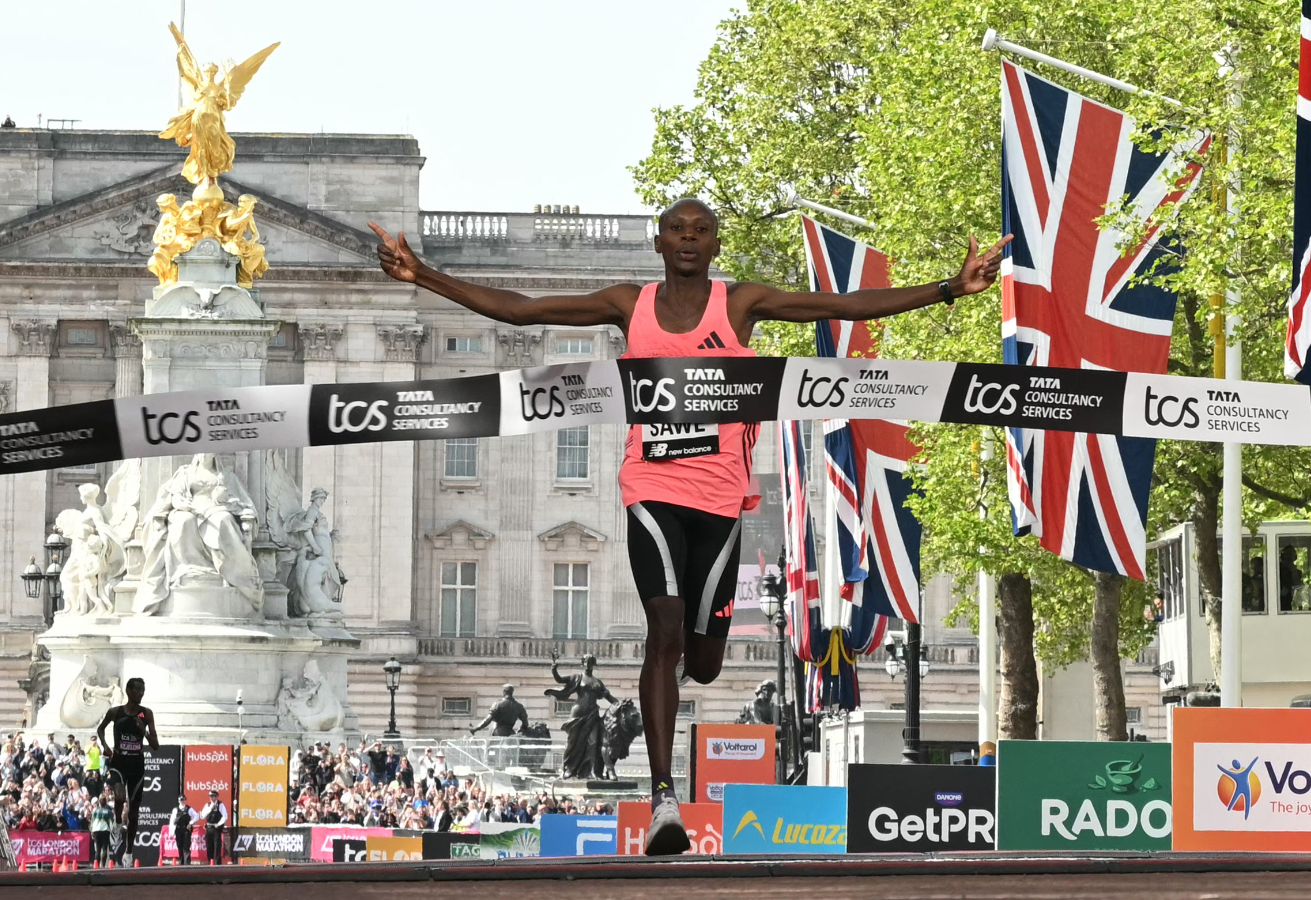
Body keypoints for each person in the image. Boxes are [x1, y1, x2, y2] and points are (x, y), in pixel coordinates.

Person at [371, 198, 1008, 855]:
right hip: (650, 489)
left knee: (703, 663)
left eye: (700, 231)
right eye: (677, 229)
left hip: (720, 502)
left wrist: (948, 291)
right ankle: (661, 796)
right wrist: (424, 276)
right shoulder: (629, 305)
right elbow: (524, 310)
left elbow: (840, 308)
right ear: (658, 240)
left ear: (715, 245)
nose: (688, 239)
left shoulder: (739, 306)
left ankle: (700, 660)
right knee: (664, 628)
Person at [95, 677, 159, 868]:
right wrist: (105, 746)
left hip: (137, 764)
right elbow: (100, 729)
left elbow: (156, 745)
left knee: (133, 813)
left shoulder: (146, 714)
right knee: (120, 796)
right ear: (129, 691)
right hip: (119, 761)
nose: (141, 694)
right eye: (138, 690)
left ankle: (129, 853)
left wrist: (144, 732)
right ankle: (116, 823)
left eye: (143, 690)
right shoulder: (115, 712)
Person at [89, 792, 116, 869]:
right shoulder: (108, 811)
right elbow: (111, 822)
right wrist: (112, 831)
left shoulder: (95, 811)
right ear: (105, 802)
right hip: (105, 830)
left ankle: (96, 865)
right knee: (104, 849)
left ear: (99, 802)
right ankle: (103, 866)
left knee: (97, 849)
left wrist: (92, 832)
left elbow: (92, 822)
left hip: (96, 830)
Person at [201, 791, 227, 865]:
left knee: (217, 846)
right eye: (211, 797)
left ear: (216, 797)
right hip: (209, 827)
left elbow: (225, 816)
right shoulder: (208, 805)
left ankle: (217, 862)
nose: (212, 798)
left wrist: (219, 824)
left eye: (213, 796)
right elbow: (203, 815)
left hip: (216, 827)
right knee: (209, 845)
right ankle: (210, 861)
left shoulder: (220, 805)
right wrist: (210, 808)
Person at [171, 797, 193, 865]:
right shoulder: (175, 810)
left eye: (183, 800)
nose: (182, 801)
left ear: (185, 800)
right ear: (178, 801)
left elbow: (196, 816)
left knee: (186, 845)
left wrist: (190, 823)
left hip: (186, 828)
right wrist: (171, 831)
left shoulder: (189, 809)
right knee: (179, 845)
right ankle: (181, 861)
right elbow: (172, 820)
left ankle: (187, 862)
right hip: (178, 829)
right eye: (181, 800)